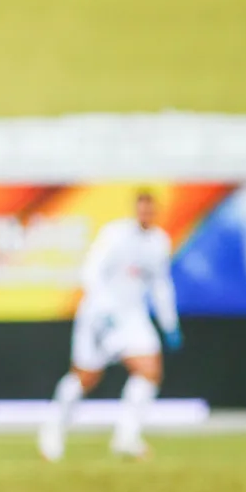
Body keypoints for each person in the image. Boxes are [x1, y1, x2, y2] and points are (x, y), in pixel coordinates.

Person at [38, 191, 181, 462]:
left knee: (150, 370)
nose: (146, 215)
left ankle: (126, 438)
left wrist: (169, 323)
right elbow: (91, 270)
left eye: (150, 210)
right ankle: (52, 431)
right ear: (136, 210)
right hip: (100, 314)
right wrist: (104, 310)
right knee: (86, 377)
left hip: (133, 315)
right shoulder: (115, 235)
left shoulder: (159, 242)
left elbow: (160, 284)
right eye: (142, 209)